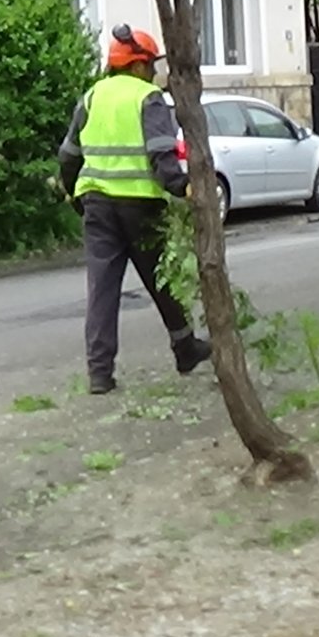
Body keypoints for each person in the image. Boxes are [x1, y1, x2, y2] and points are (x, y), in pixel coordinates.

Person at [58, 26, 212, 394]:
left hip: (97, 205)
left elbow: (68, 156)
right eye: (151, 65)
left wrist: (73, 193)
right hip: (141, 207)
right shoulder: (149, 98)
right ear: (139, 65)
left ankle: (99, 374)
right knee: (162, 282)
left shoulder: (92, 97)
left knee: (102, 290)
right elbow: (162, 154)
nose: (155, 73)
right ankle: (185, 347)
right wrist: (183, 188)